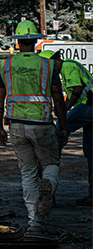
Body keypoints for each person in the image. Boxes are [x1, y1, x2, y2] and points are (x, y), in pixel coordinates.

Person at [0, 21, 68, 234]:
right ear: (35, 41)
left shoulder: (6, 65)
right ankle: (49, 185)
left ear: (17, 42)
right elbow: (58, 98)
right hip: (42, 124)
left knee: (27, 172)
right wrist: (63, 126)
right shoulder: (48, 65)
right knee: (51, 163)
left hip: (16, 125)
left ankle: (34, 223)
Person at [41, 50, 93, 206]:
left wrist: (64, 110)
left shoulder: (68, 66)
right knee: (90, 152)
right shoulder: (68, 67)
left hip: (88, 107)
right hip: (89, 108)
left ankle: (50, 164)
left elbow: (76, 90)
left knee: (58, 129)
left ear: (54, 62)